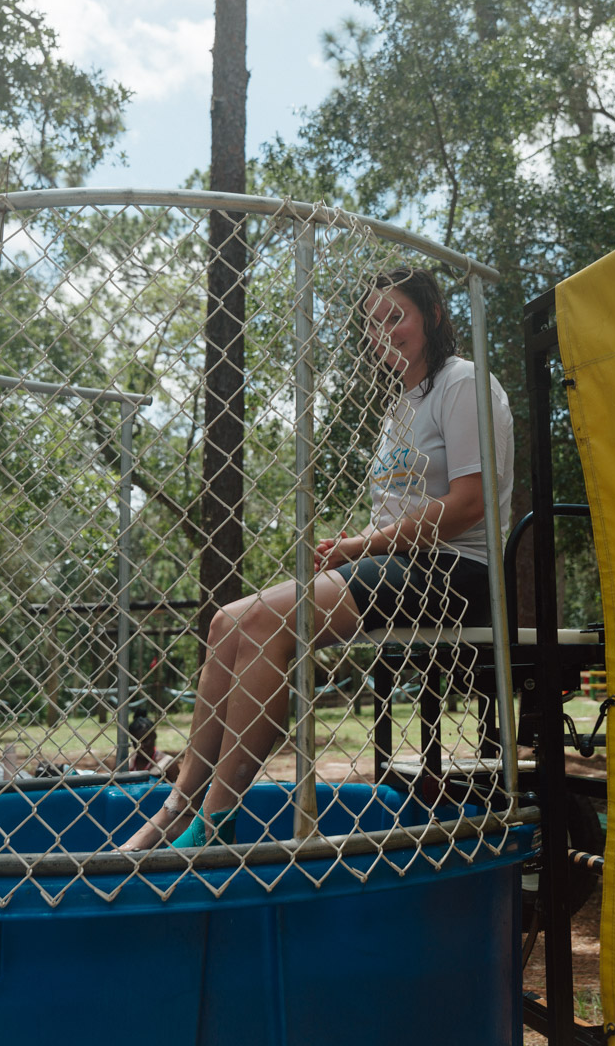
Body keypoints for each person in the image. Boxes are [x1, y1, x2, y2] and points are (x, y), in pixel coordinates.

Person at [120, 267, 512, 851]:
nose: (385, 333)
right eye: (372, 324)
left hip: (459, 572)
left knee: (267, 621)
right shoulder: (400, 406)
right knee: (228, 619)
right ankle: (177, 806)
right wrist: (352, 543)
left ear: (430, 314)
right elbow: (397, 515)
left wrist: (361, 547)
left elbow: (468, 504)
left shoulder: (463, 383)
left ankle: (214, 819)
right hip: (404, 566)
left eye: (395, 316)